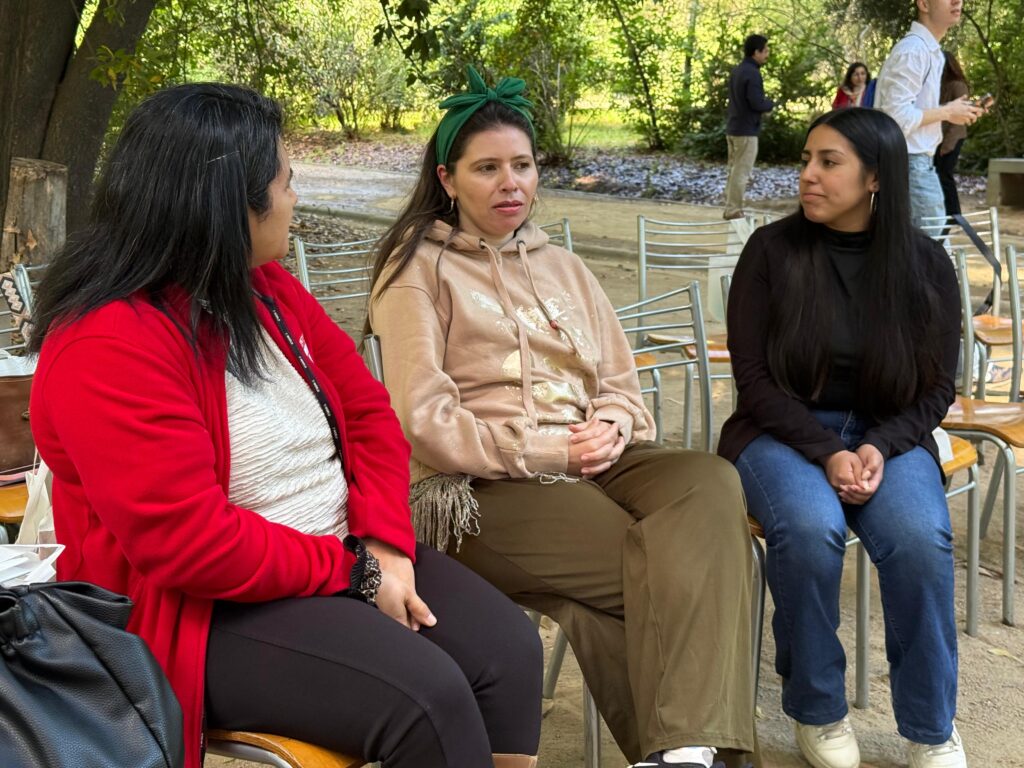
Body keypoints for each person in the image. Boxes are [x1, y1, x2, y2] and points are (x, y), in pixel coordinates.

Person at [27, 83, 542, 768]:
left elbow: (370, 416)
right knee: (429, 700)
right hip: (203, 611)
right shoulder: (107, 343)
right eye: (286, 182)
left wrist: (385, 541)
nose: (296, 199)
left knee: (509, 650)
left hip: (344, 551)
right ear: (226, 205)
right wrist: (356, 573)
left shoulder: (263, 286)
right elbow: (191, 546)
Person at [366, 65, 756, 768]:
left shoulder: (563, 266)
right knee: (667, 564)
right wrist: (553, 453)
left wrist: (611, 422)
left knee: (710, 482)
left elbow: (620, 383)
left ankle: (682, 753)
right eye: (487, 168)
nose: (510, 183)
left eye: (522, 165)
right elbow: (424, 418)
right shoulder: (416, 267)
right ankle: (697, 752)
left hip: (594, 459)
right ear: (448, 179)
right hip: (476, 487)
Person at [720, 107, 965, 768]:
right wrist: (827, 451)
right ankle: (818, 709)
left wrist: (878, 446)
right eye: (807, 160)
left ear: (875, 177)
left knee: (919, 539)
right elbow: (753, 379)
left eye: (829, 162)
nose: (808, 175)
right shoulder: (771, 251)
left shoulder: (925, 264)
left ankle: (931, 726)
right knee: (808, 529)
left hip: (889, 436)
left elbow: (937, 388)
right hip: (779, 431)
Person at [875, 0, 982, 226]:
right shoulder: (914, 50)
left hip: (916, 165)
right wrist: (947, 112)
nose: (957, 1)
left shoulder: (931, 51)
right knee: (931, 246)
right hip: (910, 165)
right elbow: (895, 118)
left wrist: (954, 111)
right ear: (923, 4)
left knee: (925, 245)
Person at [724, 34, 774, 220]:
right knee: (741, 172)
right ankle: (733, 210)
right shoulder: (752, 73)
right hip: (746, 131)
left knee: (733, 170)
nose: (767, 55)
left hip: (733, 128)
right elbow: (756, 102)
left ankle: (730, 206)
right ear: (756, 52)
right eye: (765, 51)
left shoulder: (738, 70)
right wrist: (770, 104)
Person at [934, 50, 979, 217]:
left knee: (944, 175)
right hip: (941, 137)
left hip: (953, 137)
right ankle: (946, 212)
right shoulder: (940, 84)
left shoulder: (958, 85)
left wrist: (948, 145)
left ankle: (954, 214)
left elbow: (959, 119)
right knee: (939, 175)